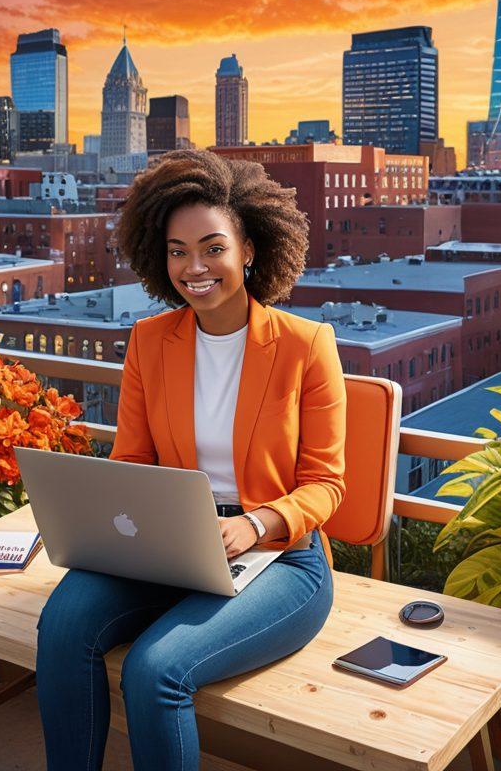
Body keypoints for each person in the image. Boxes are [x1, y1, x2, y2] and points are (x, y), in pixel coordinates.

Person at [36, 149, 347, 770]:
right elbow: (131, 461)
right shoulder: (151, 343)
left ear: (249, 250)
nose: (194, 267)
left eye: (211, 248)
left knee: (156, 670)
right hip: (169, 543)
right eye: (178, 251)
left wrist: (254, 524)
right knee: (62, 627)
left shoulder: (306, 346)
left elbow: (327, 485)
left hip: (280, 556)